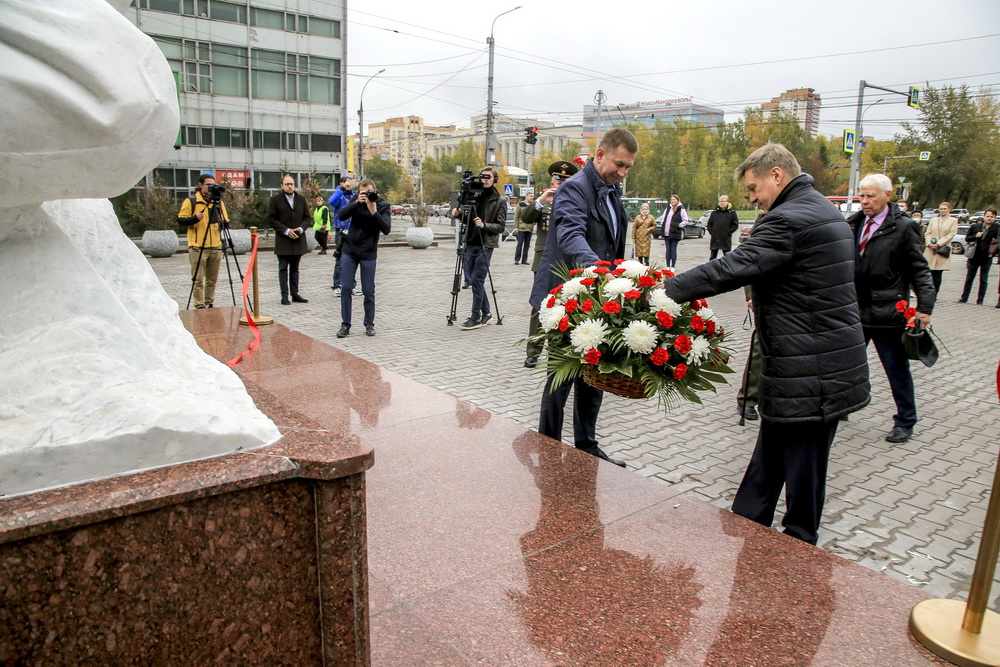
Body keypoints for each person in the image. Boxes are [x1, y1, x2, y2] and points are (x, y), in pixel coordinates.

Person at [665, 142, 870, 545]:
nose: (752, 199)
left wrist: (660, 292)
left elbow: (730, 269)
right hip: (812, 365)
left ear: (777, 175)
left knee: (803, 479)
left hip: (810, 372)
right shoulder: (825, 211)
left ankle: (798, 553)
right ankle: (748, 524)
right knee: (771, 457)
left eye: (754, 188)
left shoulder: (788, 220)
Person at [529, 128, 639, 469]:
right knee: (560, 377)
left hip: (599, 297)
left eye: (628, 167)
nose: (623, 172)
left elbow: (612, 242)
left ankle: (587, 446)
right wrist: (599, 270)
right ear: (600, 154)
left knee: (595, 374)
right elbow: (570, 234)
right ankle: (548, 448)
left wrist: (624, 276)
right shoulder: (575, 188)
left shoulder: (612, 191)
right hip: (569, 296)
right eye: (619, 164)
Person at [849, 174, 934, 444]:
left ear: (887, 195)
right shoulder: (854, 223)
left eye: (870, 196)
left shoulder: (904, 227)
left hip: (888, 313)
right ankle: (841, 407)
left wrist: (924, 308)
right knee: (845, 365)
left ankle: (905, 420)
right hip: (856, 310)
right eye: (861, 195)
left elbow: (920, 270)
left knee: (896, 370)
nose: (864, 201)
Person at [522, 160, 578, 367]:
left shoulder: (575, 201)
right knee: (539, 305)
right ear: (552, 180)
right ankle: (533, 351)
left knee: (568, 305)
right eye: (557, 179)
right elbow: (526, 218)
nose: (560, 182)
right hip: (544, 259)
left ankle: (562, 351)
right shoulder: (545, 199)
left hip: (567, 261)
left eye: (565, 180)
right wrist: (541, 200)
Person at [334, 179, 391, 338]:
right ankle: (345, 324)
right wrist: (355, 203)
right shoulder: (355, 201)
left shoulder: (383, 205)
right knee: (346, 287)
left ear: (375, 191)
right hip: (350, 250)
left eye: (369, 192)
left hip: (368, 252)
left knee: (368, 290)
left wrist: (374, 211)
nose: (366, 195)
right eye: (362, 193)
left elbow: (386, 229)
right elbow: (341, 216)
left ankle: (369, 323)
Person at [453, 166, 506, 330]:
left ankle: (475, 316)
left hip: (485, 244)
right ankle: (487, 313)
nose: (485, 180)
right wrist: (459, 216)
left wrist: (484, 225)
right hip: (470, 242)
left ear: (494, 179)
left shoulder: (499, 200)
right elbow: (469, 221)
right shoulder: (473, 196)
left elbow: (501, 227)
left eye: (489, 177)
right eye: (483, 177)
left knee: (477, 280)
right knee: (473, 280)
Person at [176, 173, 227, 309]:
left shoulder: (218, 203)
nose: (211, 187)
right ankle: (199, 305)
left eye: (213, 185)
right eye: (208, 185)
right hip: (198, 246)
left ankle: (209, 302)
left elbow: (224, 223)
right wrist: (194, 218)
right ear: (200, 185)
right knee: (198, 279)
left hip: (215, 245)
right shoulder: (192, 201)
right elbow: (181, 220)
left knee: (212, 279)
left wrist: (225, 222)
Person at [267, 174, 311, 305]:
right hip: (283, 240)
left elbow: (307, 218)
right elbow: (271, 219)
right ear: (282, 186)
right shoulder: (275, 200)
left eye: (292, 184)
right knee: (283, 268)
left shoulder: (301, 199)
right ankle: (284, 295)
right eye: (287, 184)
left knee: (295, 268)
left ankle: (295, 293)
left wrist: (300, 229)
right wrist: (286, 231)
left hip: (298, 239)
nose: (290, 186)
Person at [960, 208, 999, 305]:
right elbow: (967, 238)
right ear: (984, 216)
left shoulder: (997, 228)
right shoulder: (975, 226)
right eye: (987, 216)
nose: (989, 218)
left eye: (991, 217)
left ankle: (980, 300)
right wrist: (976, 235)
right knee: (969, 278)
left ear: (995, 218)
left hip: (987, 256)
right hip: (974, 256)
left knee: (983, 279)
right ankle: (964, 298)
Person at [923, 201, 958, 295]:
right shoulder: (933, 220)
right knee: (928, 272)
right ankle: (927, 292)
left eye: (944, 209)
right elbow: (928, 233)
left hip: (942, 249)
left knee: (938, 273)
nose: (942, 210)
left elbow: (951, 234)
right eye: (941, 209)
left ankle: (935, 293)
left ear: (949, 209)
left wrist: (939, 244)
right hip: (931, 249)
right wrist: (929, 243)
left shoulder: (953, 220)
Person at [328, 176, 354, 297]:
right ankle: (337, 285)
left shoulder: (353, 195)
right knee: (340, 259)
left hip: (353, 230)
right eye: (346, 181)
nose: (349, 184)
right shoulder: (339, 194)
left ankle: (351, 285)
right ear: (341, 183)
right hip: (341, 230)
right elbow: (332, 202)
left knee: (353, 259)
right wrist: (342, 189)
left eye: (350, 182)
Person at [707, 194, 740, 260]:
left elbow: (735, 225)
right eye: (720, 201)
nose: (722, 203)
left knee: (727, 256)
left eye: (723, 201)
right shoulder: (714, 212)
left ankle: (727, 266)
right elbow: (709, 224)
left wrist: (729, 232)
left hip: (725, 238)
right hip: (715, 238)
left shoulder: (732, 213)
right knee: (713, 256)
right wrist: (712, 232)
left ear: (727, 202)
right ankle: (712, 266)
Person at [659, 194, 688, 268]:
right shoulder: (668, 209)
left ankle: (673, 266)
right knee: (668, 250)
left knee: (673, 250)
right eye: (671, 200)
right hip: (666, 233)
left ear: (677, 200)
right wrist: (663, 223)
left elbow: (685, 220)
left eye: (674, 199)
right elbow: (663, 218)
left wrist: (678, 226)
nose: (672, 201)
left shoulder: (681, 209)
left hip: (675, 233)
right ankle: (667, 266)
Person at [513, 191, 535, 265]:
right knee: (520, 244)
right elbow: (516, 216)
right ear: (526, 196)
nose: (532, 198)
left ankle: (524, 260)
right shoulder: (520, 205)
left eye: (533, 196)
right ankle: (517, 259)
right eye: (530, 196)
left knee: (527, 245)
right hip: (521, 228)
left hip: (529, 228)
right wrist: (516, 226)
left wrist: (534, 223)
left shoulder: (533, 205)